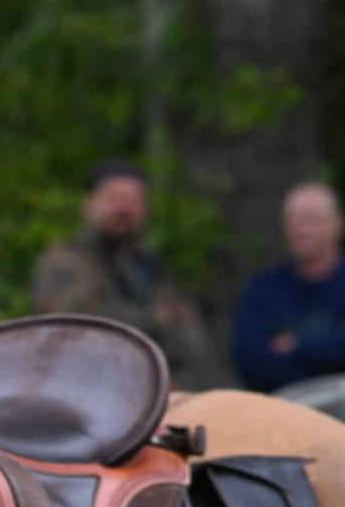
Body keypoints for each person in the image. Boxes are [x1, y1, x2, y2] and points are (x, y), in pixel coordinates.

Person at [31, 159, 219, 389]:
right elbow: (75, 325)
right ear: (89, 204)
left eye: (133, 201)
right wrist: (154, 319)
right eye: (113, 199)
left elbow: (188, 332)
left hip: (161, 393)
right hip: (85, 389)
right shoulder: (65, 261)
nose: (123, 209)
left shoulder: (152, 267)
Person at [231, 181, 345, 393]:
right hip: (284, 411)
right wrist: (330, 350)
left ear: (337, 225)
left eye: (310, 220)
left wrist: (297, 344)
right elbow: (252, 362)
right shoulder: (262, 290)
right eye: (293, 220)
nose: (300, 229)